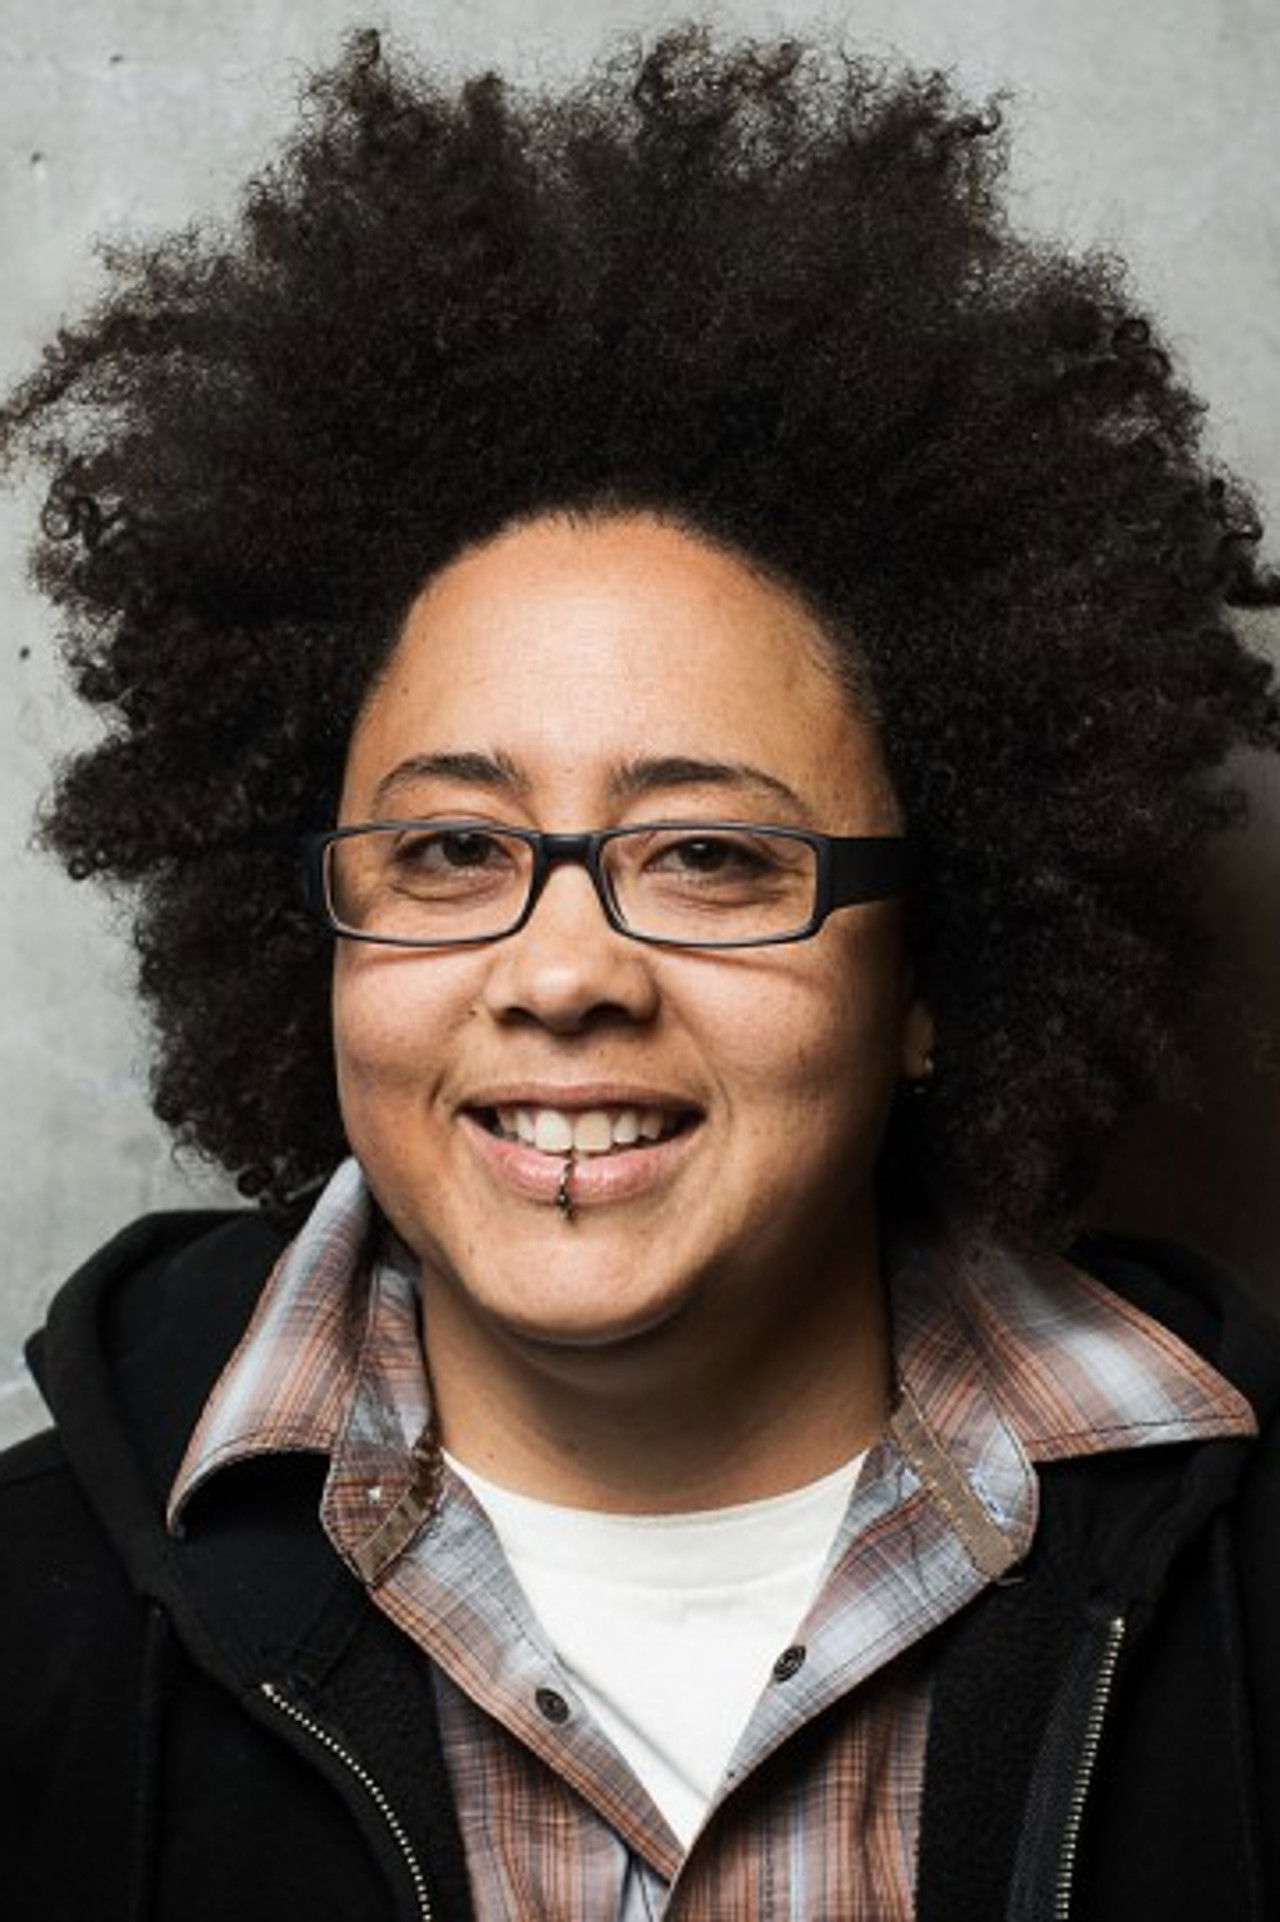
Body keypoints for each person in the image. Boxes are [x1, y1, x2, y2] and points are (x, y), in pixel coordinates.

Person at [1, 23, 1278, 1921]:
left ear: (938, 964)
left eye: (710, 855)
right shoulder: (26, 1644)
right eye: (451, 849)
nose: (562, 972)